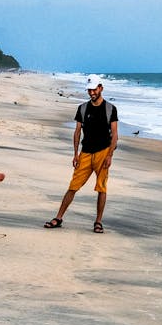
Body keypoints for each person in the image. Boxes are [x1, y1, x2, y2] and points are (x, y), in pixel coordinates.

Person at [44, 74, 118, 233]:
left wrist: (110, 155)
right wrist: (75, 154)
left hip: (103, 153)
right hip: (85, 153)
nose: (91, 93)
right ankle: (58, 217)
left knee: (101, 188)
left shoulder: (110, 109)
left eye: (94, 90)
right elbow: (77, 132)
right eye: (89, 90)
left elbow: (115, 134)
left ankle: (98, 222)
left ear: (101, 88)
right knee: (73, 186)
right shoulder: (83, 108)